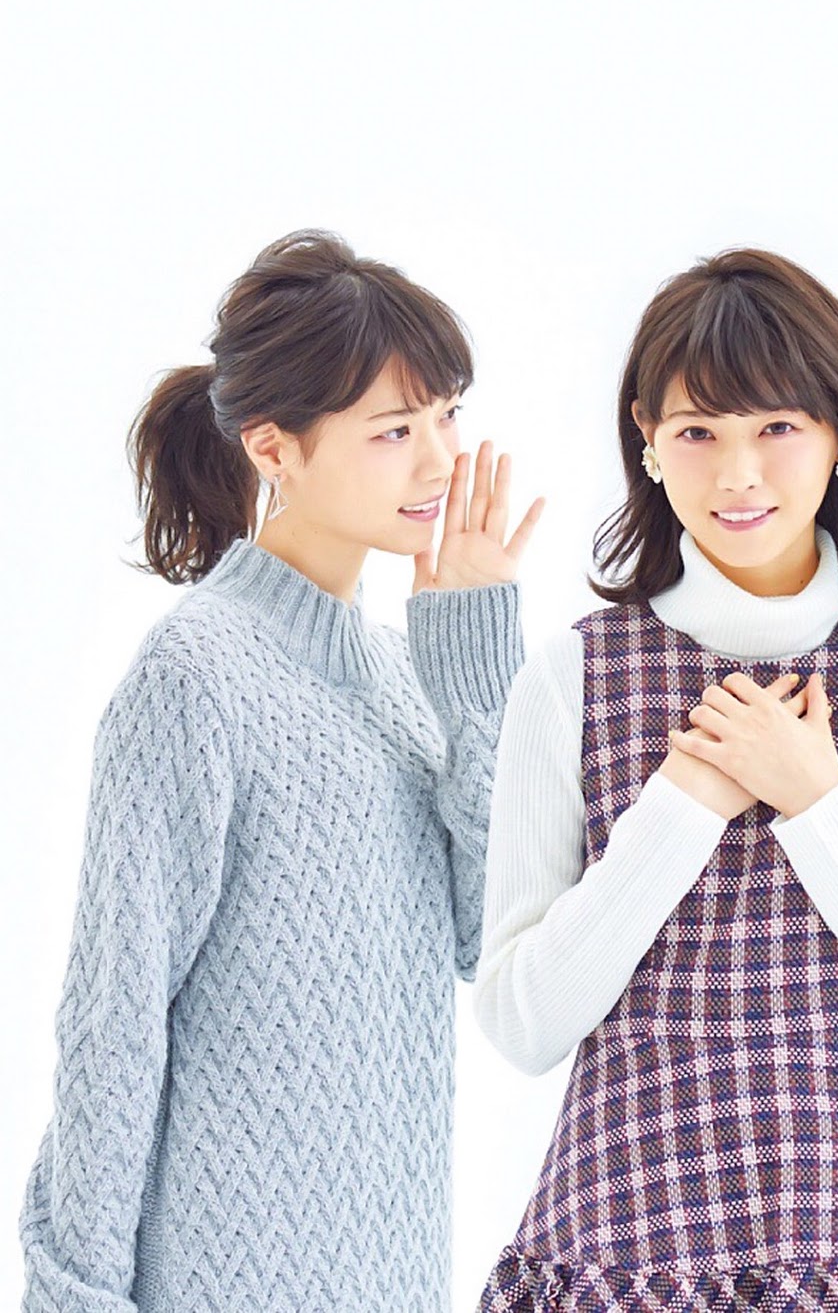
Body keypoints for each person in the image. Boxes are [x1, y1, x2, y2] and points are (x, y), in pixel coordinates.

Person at [474, 248, 838, 1310]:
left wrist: (817, 801)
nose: (737, 475)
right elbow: (522, 1022)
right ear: (647, 438)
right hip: (630, 1250)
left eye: (776, 427)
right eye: (698, 433)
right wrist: (682, 805)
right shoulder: (572, 677)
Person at [19, 228, 544, 1313]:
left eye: (446, 415)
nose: (440, 462)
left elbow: (484, 938)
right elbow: (114, 1021)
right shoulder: (196, 675)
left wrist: (473, 674)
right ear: (273, 450)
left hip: (394, 1278)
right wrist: (75, 1295)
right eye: (393, 430)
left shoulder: (405, 676)